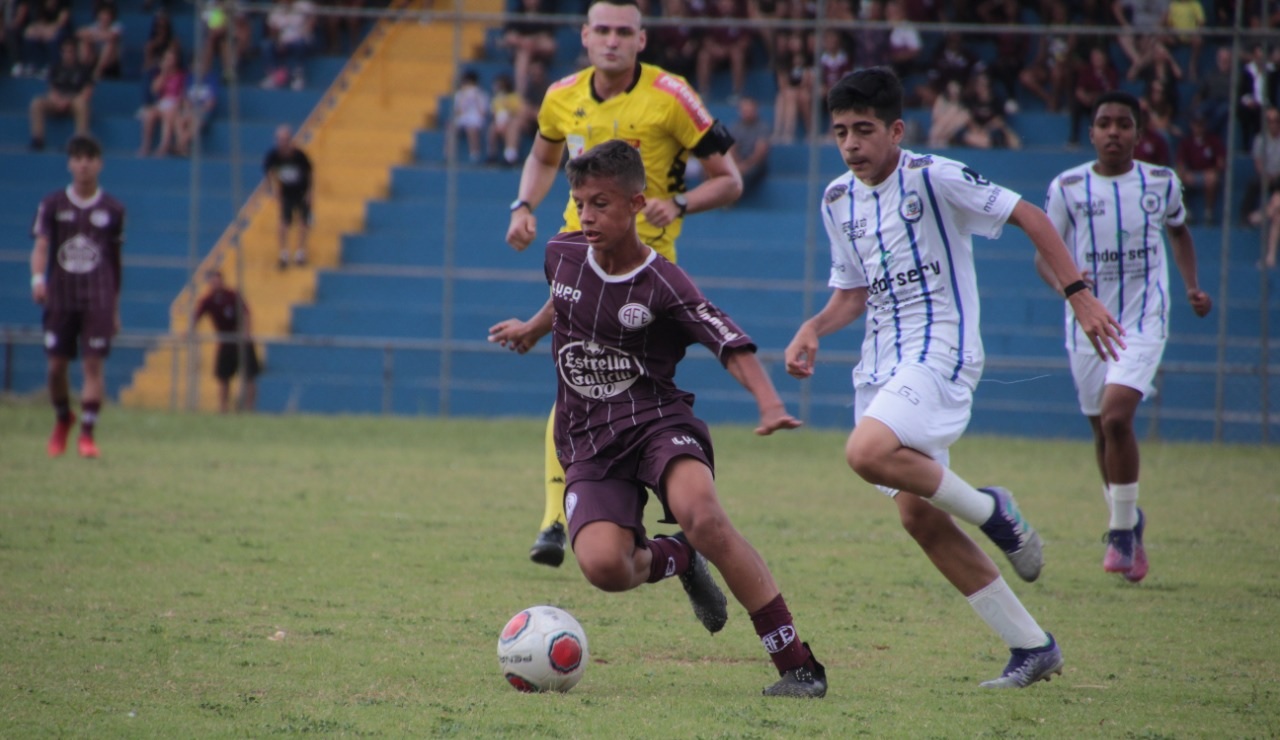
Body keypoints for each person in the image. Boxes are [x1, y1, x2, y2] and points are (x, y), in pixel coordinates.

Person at [784, 67, 1125, 688]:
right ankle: (1032, 646)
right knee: (918, 516)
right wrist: (813, 327)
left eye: (864, 130)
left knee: (866, 452)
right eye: (841, 133)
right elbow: (852, 293)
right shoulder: (838, 199)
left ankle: (994, 509)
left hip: (941, 350)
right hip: (882, 365)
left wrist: (1077, 293)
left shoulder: (934, 176)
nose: (853, 144)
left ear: (895, 130)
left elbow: (1030, 216)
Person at [489, 139, 826, 698]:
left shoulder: (664, 284)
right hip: (588, 440)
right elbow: (564, 295)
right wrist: (531, 327)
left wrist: (769, 401)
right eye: (580, 204)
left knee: (705, 516)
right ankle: (679, 558)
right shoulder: (560, 252)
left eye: (601, 203)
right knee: (605, 568)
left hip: (655, 422)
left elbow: (728, 343)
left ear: (636, 204)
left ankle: (797, 666)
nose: (588, 216)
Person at [504, 0, 743, 568]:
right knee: (578, 382)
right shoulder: (562, 95)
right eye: (602, 30)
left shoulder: (673, 97)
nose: (611, 40)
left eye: (623, 31)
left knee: (619, 394)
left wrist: (679, 201)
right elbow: (541, 157)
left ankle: (631, 516)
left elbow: (729, 181)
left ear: (641, 39)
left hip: (645, 277)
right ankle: (558, 518)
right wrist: (522, 205)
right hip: (577, 266)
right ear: (585, 36)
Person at [1039, 90, 1212, 583]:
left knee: (1117, 417)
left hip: (1143, 321)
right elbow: (1044, 256)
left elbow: (1179, 232)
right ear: (1091, 133)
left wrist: (1192, 286)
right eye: (1104, 123)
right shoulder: (1067, 187)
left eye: (1123, 123)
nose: (1113, 131)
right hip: (1086, 323)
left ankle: (1119, 531)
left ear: (1139, 133)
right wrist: (1070, 292)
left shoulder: (1161, 183)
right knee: (1101, 428)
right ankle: (1129, 520)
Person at [29, 135, 125, 460]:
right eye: (78, 157)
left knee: (92, 365)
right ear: (70, 163)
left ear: (100, 163)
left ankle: (87, 433)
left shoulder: (113, 209)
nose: (83, 163)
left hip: (98, 297)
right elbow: (42, 245)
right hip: (62, 296)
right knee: (56, 367)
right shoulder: (53, 204)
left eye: (90, 157)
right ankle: (62, 418)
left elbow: (115, 262)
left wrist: (114, 308)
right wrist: (38, 279)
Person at [190, 269, 260, 413]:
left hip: (241, 342)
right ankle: (223, 409)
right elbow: (196, 316)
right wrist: (190, 331)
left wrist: (246, 334)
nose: (215, 284)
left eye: (217, 280)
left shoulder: (232, 296)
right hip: (225, 343)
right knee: (223, 378)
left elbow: (246, 313)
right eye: (212, 281)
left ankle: (249, 409)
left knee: (249, 377)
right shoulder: (207, 300)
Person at [28, 35, 92, 151]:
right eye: (65, 51)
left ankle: (79, 142)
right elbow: (51, 89)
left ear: (75, 52)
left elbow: (87, 92)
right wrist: (57, 100)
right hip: (56, 102)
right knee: (37, 102)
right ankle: (38, 139)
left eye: (70, 51)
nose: (67, 54)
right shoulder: (56, 68)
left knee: (81, 103)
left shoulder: (83, 69)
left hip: (74, 103)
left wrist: (68, 101)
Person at [263, 123, 313, 268]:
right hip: (286, 193)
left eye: (285, 139)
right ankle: (283, 253)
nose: (282, 142)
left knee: (303, 222)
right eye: (280, 139)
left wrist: (310, 193)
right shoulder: (273, 156)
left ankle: (300, 252)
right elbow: (268, 172)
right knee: (283, 222)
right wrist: (271, 189)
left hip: (301, 192)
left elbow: (309, 173)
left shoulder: (299, 156)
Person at [1174, 114, 1225, 224]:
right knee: (1177, 178)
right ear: (1192, 125)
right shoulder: (1186, 142)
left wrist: (1213, 171)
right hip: (1191, 174)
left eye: (1201, 125)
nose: (1198, 128)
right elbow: (1180, 162)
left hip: (1208, 174)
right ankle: (1186, 211)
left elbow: (1221, 163)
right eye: (1196, 125)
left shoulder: (1213, 141)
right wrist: (1185, 173)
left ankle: (1208, 212)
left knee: (1212, 178)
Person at [727, 95, 769, 196]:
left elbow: (760, 152)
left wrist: (746, 166)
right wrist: (737, 165)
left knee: (750, 172)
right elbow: (731, 149)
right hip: (738, 161)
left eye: (749, 110)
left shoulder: (763, 128)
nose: (747, 113)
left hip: (756, 164)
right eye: (744, 110)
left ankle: (732, 198)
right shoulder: (735, 127)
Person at [447, 69, 489, 164]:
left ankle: (475, 153)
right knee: (451, 126)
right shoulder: (459, 95)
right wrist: (464, 97)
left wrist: (476, 98)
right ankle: (449, 154)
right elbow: (458, 111)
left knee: (472, 129)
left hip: (476, 118)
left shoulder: (481, 94)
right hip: (463, 117)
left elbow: (483, 112)